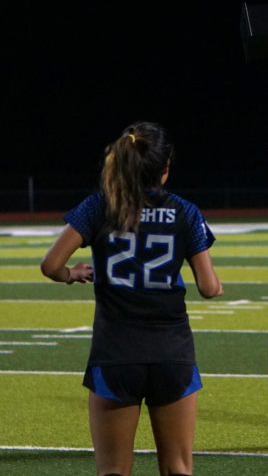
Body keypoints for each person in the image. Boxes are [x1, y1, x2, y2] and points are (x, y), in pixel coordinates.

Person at [40, 121, 223, 476]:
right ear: (165, 170)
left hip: (115, 353)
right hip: (172, 353)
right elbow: (208, 286)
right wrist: (216, 285)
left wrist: (70, 274)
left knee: (112, 470)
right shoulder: (185, 211)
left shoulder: (99, 206)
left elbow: (50, 264)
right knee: (178, 468)